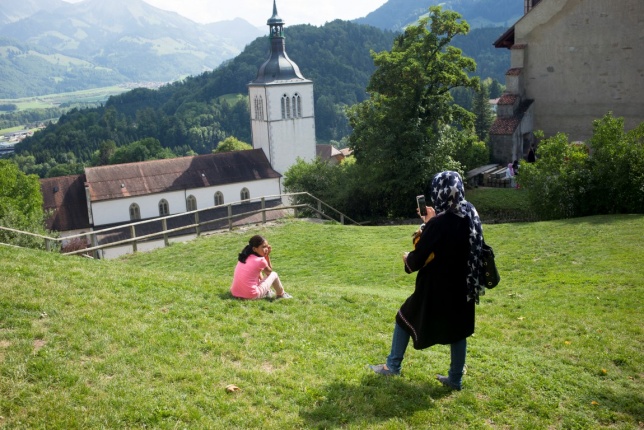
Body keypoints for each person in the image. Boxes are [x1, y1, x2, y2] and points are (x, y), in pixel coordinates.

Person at [368, 171, 486, 391]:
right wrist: (430, 222)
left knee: (403, 317)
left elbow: (415, 262)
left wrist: (409, 254)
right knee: (458, 332)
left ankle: (392, 366)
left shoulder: (439, 224)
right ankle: (455, 380)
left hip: (436, 288)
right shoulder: (470, 211)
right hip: (464, 286)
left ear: (438, 192)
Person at [230, 235, 292, 300]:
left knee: (257, 275)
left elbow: (258, 273)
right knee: (274, 274)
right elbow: (269, 272)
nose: (266, 249)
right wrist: (267, 256)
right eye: (263, 247)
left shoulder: (244, 257)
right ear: (254, 249)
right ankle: (281, 294)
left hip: (235, 293)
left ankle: (267, 292)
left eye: (267, 247)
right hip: (251, 295)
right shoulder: (260, 260)